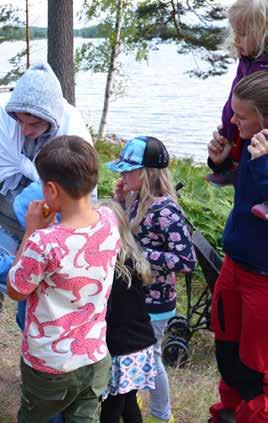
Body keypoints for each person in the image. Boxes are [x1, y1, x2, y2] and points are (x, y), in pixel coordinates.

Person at [0, 62, 93, 384]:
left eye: (35, 123)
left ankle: (42, 370)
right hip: (1, 208)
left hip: (47, 218)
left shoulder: (74, 131)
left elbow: (81, 192)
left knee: (37, 295)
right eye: (21, 121)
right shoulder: (1, 117)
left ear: (52, 118)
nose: (25, 129)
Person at [6, 136, 120, 422]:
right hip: (94, 357)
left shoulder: (44, 242)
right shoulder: (109, 220)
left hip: (49, 365)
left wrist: (31, 231)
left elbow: (16, 289)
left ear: (52, 190)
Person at [108, 136, 196, 423]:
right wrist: (120, 201)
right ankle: (131, 401)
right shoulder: (136, 200)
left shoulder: (165, 210)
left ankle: (162, 415)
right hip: (138, 297)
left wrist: (140, 256)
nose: (122, 175)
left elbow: (186, 260)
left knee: (153, 357)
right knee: (136, 353)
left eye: (128, 170)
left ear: (146, 173)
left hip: (157, 301)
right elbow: (129, 234)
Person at [207, 71, 268, 423]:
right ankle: (224, 414)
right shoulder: (252, 143)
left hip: (263, 279)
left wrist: (262, 165)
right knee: (226, 350)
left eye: (241, 116)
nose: (232, 120)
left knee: (255, 370)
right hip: (235, 265)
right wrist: (222, 160)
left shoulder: (261, 152)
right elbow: (242, 191)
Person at [100, 202, 157, 423]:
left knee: (111, 408)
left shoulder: (111, 269)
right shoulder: (134, 260)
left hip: (120, 349)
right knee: (128, 401)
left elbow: (108, 313)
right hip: (140, 345)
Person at [206, 0, 268, 187]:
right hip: (243, 145)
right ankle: (230, 167)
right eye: (235, 33)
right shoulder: (247, 61)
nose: (235, 40)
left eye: (242, 34)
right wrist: (224, 151)